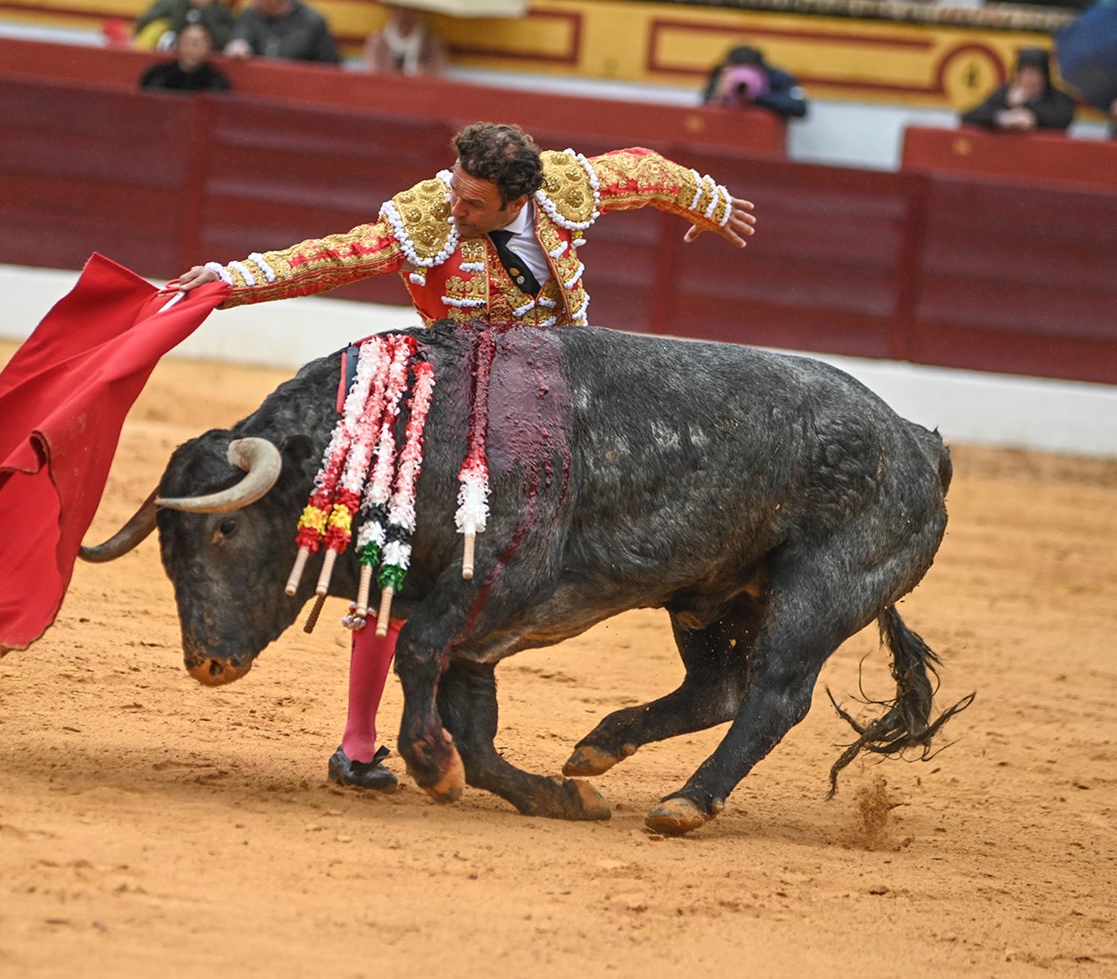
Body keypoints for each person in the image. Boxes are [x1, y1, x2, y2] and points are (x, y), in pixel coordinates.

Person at [169, 123, 756, 789]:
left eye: (473, 203)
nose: (455, 207)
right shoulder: (424, 220)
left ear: (518, 199)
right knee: (391, 552)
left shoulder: (563, 189)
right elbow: (332, 256)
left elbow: (644, 170)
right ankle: (357, 744)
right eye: (455, 189)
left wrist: (705, 204)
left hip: (562, 389)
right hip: (452, 397)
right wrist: (229, 281)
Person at [959, 47, 1074, 132]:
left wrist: (1032, 113)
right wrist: (1003, 118)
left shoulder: (1058, 98)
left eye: (1035, 73)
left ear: (1044, 76)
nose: (1030, 79)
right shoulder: (1004, 93)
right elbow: (969, 116)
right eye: (1026, 73)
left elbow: (1063, 120)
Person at [701, 44, 808, 121]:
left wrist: (757, 96)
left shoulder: (775, 77)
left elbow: (799, 107)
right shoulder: (720, 75)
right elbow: (704, 115)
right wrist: (718, 95)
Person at [224, 0, 341, 65]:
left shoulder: (313, 21)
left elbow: (330, 67)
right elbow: (241, 37)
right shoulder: (249, 14)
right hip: (257, 91)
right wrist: (237, 45)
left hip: (299, 93)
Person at [139, 23, 231, 93]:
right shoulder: (159, 73)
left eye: (195, 44)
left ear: (208, 47)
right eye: (185, 43)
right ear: (178, 45)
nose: (190, 49)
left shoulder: (215, 81)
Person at [364, 3, 448, 77]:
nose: (404, 14)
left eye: (412, 9)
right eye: (398, 8)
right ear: (390, 10)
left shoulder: (434, 45)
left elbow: (436, 80)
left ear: (420, 11)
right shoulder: (378, 42)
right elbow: (374, 78)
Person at [132, 0, 234, 52]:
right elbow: (144, 24)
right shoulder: (171, 4)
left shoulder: (222, 12)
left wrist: (207, 10)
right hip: (167, 59)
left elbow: (225, 43)